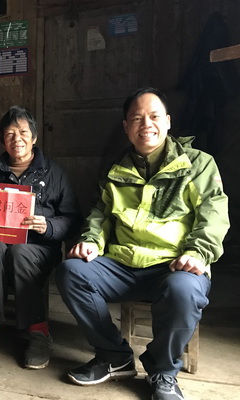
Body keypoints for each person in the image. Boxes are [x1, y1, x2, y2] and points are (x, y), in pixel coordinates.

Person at [55, 87, 229, 400]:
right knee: (72, 272)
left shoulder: (198, 164)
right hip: (123, 265)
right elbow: (100, 215)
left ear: (168, 121)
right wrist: (91, 241)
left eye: (154, 116)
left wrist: (197, 252)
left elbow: (213, 215)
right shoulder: (115, 170)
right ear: (126, 127)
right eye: (137, 118)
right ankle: (114, 355)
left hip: (173, 265)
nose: (146, 124)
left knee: (184, 290)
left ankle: (162, 371)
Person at [0, 106, 82, 368]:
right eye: (9, 134)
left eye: (23, 133)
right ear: (2, 141)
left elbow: (73, 219)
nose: (16, 139)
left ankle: (38, 332)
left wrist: (49, 226)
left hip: (39, 247)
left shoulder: (55, 174)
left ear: (34, 137)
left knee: (20, 252)